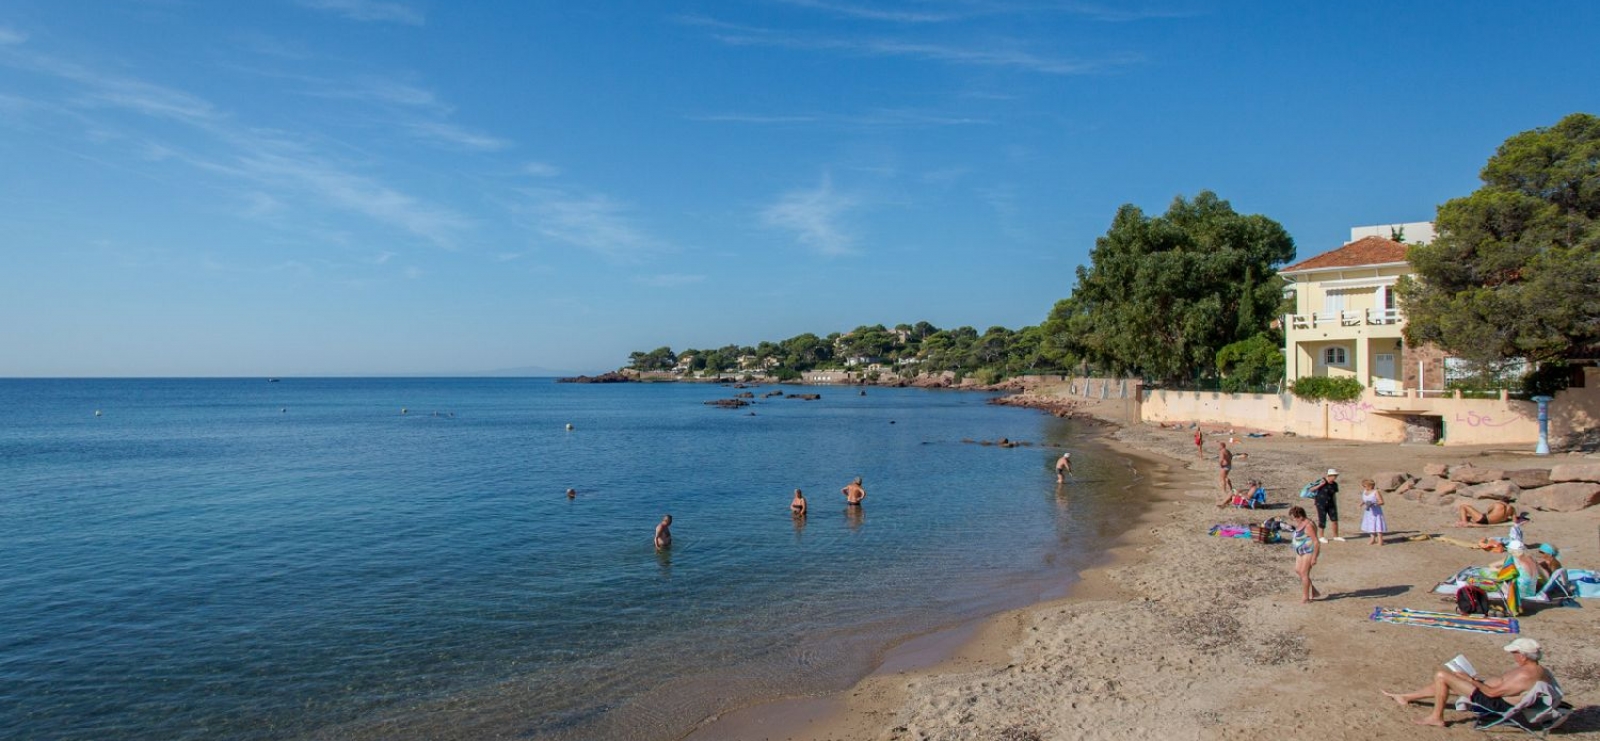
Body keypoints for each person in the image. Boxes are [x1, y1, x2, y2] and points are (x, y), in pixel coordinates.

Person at [1382, 638, 1554, 727]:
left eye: (1515, 653)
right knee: (1453, 681)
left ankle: (1436, 718)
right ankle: (1405, 697)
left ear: (1523, 656)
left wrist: (1471, 680)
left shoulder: (1526, 675)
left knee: (1443, 676)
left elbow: (1493, 693)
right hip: (1501, 697)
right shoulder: (1538, 670)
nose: (1513, 656)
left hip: (1497, 703)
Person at [1288, 505, 1322, 603]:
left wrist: (1314, 557)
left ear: (1300, 516)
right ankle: (1313, 591)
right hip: (1300, 551)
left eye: (1294, 518)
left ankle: (1305, 597)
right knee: (1298, 570)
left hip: (1309, 551)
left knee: (1304, 573)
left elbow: (1316, 542)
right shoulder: (1301, 523)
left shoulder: (1309, 525)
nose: (1294, 520)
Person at [1309, 469, 1344, 542]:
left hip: (1331, 504)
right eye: (1334, 476)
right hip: (1321, 504)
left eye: (1336, 476)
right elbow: (1311, 489)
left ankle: (1336, 536)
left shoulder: (1335, 484)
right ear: (1329, 476)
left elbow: (1334, 495)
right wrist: (1320, 485)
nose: (1335, 477)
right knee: (1322, 520)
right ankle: (1321, 537)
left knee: (1335, 520)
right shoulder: (1322, 481)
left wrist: (1335, 504)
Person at [1360, 478, 1387, 546]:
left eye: (1365, 486)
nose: (1364, 487)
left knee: (1378, 525)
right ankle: (1372, 539)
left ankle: (1380, 540)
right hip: (1368, 512)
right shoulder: (1365, 491)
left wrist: (1374, 504)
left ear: (1371, 486)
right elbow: (1365, 499)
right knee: (1370, 525)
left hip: (1376, 512)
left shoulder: (1376, 492)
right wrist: (1362, 503)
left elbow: (1382, 502)